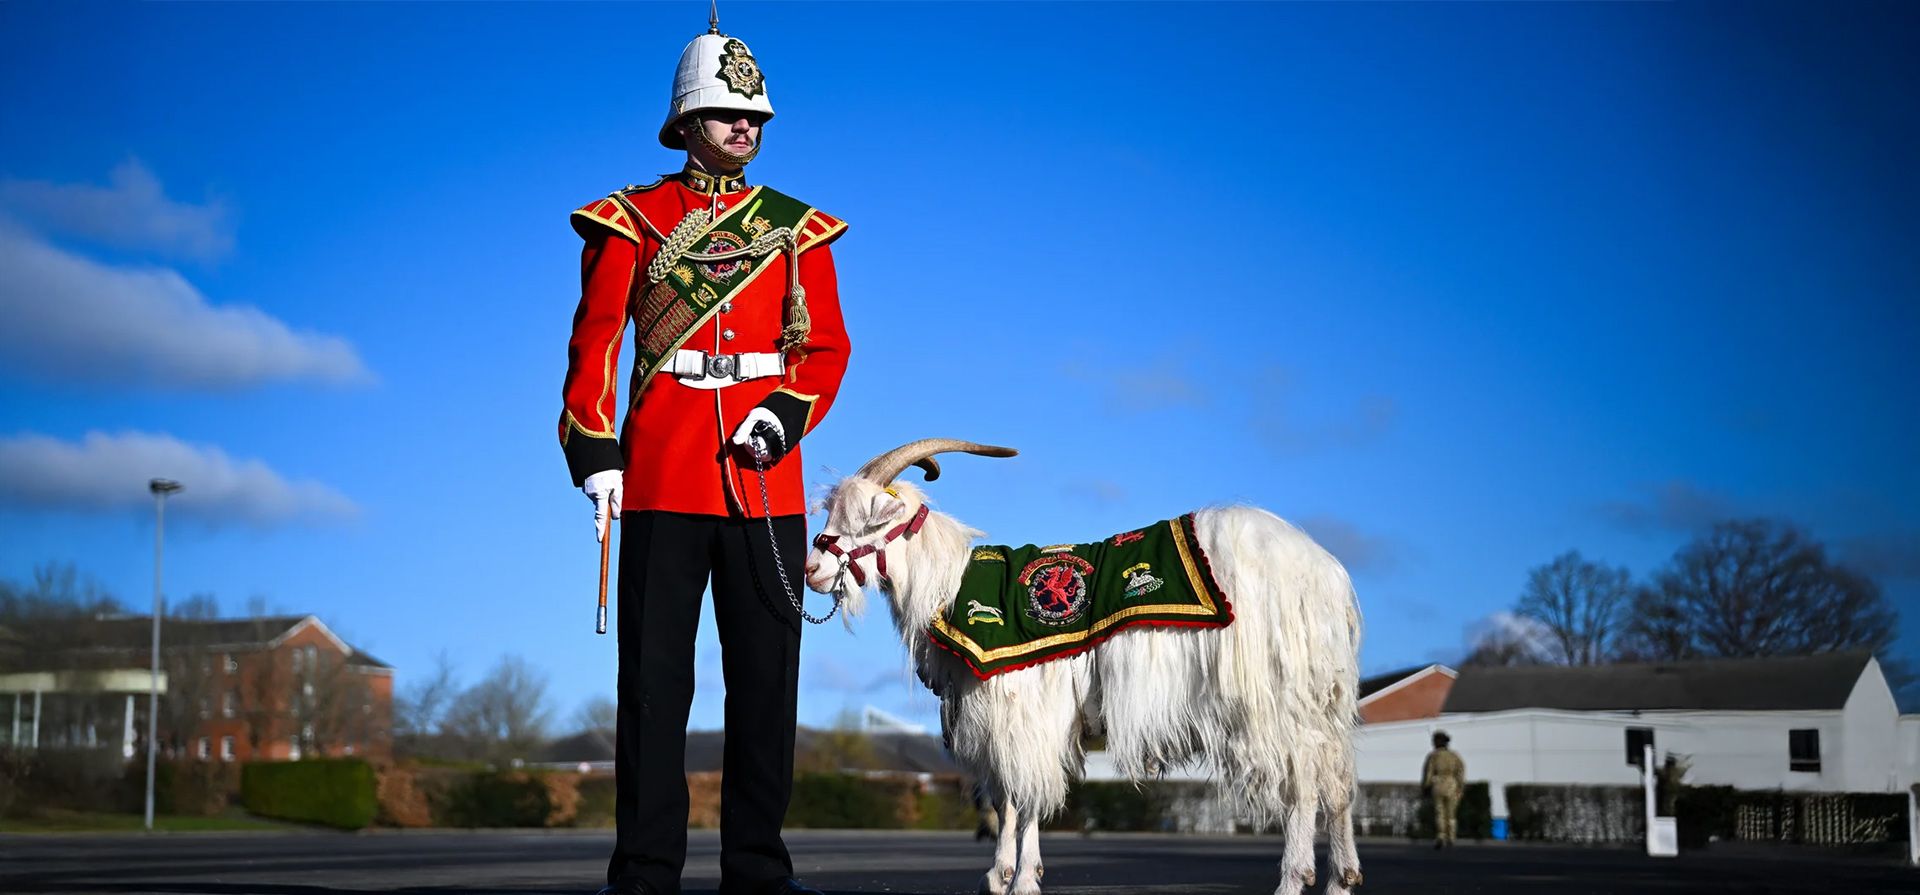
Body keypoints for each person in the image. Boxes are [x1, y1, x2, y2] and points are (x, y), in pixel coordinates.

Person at [559, 14, 850, 895]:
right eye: (727, 111)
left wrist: (782, 417)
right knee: (655, 688)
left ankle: (759, 869)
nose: (745, 127)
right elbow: (596, 341)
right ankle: (645, 870)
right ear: (685, 120)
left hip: (765, 480)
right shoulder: (634, 219)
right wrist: (595, 447)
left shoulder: (799, 230)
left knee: (766, 686)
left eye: (755, 114)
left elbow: (826, 348)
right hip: (659, 475)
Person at [1421, 730, 1466, 849]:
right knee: (1451, 814)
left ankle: (1441, 835)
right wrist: (1460, 786)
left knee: (1440, 812)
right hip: (1452, 784)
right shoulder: (1454, 756)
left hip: (1438, 784)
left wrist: (1426, 786)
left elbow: (1428, 773)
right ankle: (1451, 837)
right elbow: (1461, 771)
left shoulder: (1433, 756)